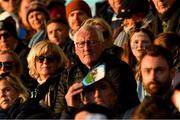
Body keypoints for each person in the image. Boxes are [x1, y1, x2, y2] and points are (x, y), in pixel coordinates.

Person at [57, 24, 139, 118]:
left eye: (92, 42)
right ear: (75, 49)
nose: (87, 48)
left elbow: (125, 106)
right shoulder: (68, 72)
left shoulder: (118, 68)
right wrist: (70, 109)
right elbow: (58, 112)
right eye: (81, 44)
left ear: (102, 45)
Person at [27, 40, 68, 118]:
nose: (45, 62)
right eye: (40, 59)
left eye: (50, 58)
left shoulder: (64, 83)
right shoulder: (30, 89)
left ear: (58, 62)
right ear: (34, 62)